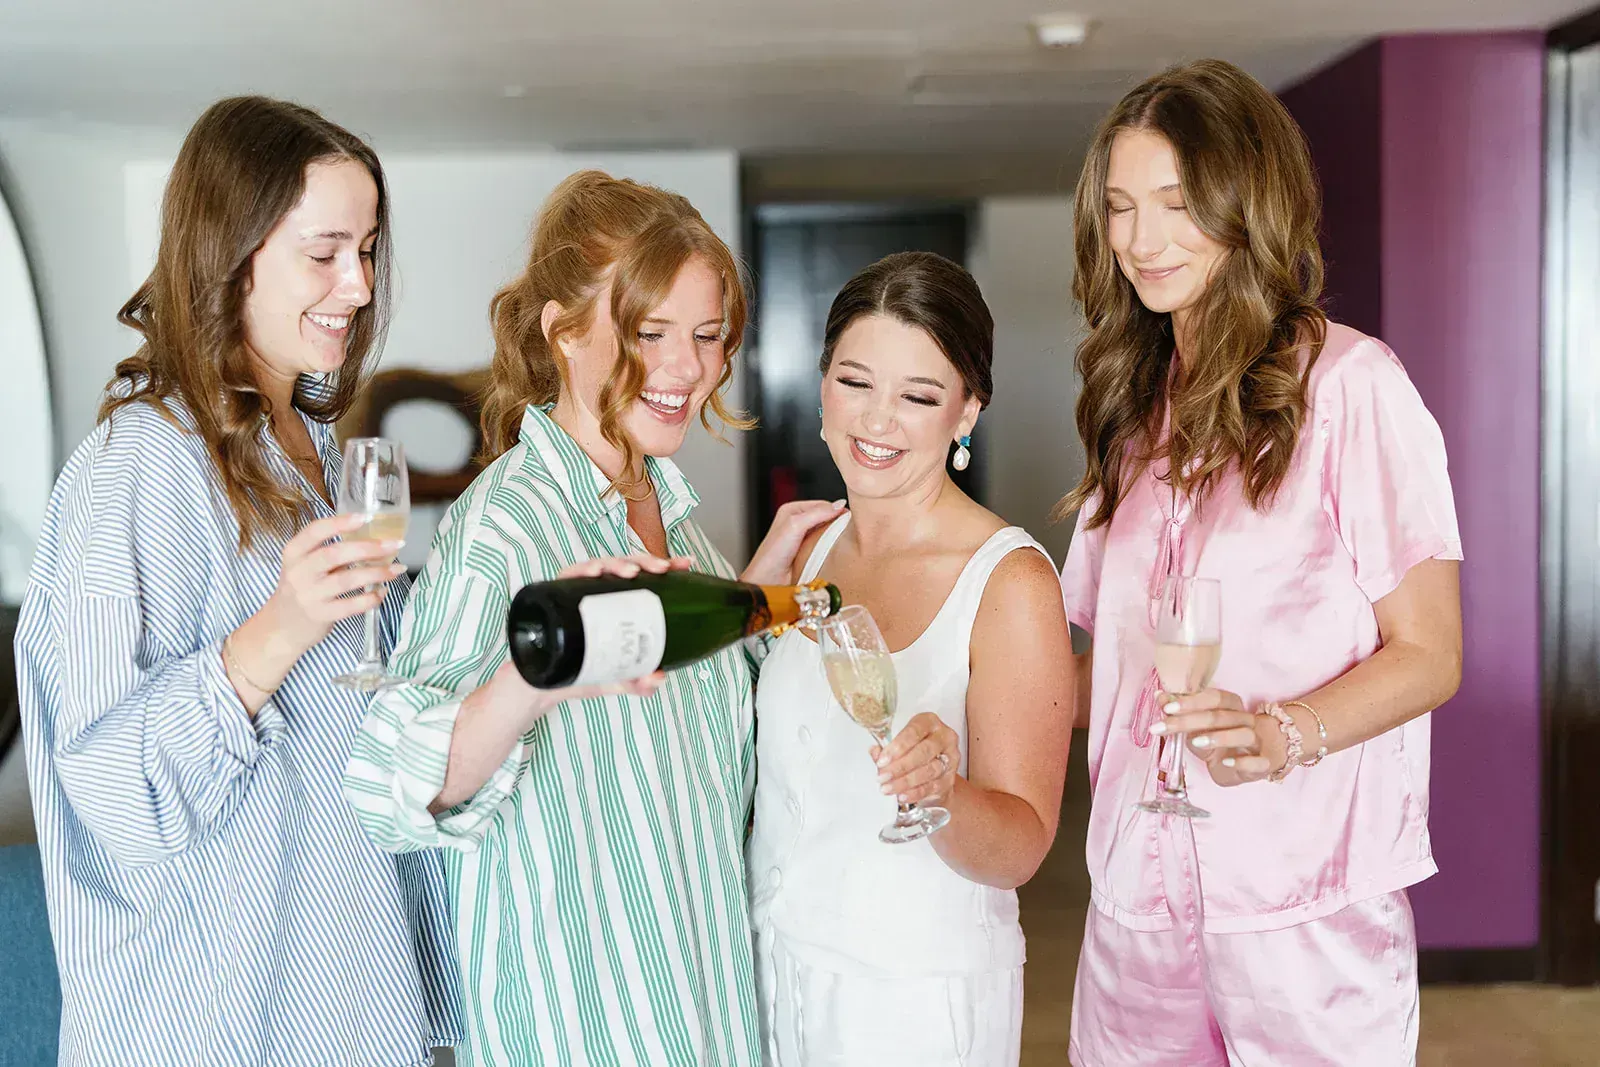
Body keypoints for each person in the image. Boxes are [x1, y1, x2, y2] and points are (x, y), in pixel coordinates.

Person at [342, 169, 841, 1067]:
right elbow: (389, 782)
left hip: (708, 1008)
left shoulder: (681, 522)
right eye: (651, 333)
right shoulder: (508, 521)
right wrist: (532, 679)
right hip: (584, 1026)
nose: (690, 368)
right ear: (563, 330)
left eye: (709, 335)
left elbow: (697, 767)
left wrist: (752, 603)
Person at [14, 96, 462, 1066]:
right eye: (326, 250)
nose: (359, 282)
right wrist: (278, 628)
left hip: (352, 1000)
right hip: (218, 1026)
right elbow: (110, 792)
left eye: (370, 248)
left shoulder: (318, 449)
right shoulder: (139, 461)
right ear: (235, 253)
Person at [1059, 59, 1463, 1066]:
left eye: (1174, 203)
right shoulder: (1131, 411)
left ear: (1248, 202)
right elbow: (1102, 681)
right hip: (1135, 900)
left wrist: (1284, 730)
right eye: (1118, 208)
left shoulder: (1351, 388)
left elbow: (1430, 652)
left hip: (1301, 903)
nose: (1141, 240)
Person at [746, 251, 1075, 1066]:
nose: (877, 420)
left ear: (966, 412)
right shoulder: (804, 547)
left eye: (919, 396)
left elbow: (1024, 844)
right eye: (855, 382)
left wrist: (946, 793)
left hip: (912, 1001)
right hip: (772, 971)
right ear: (822, 388)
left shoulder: (1012, 582)